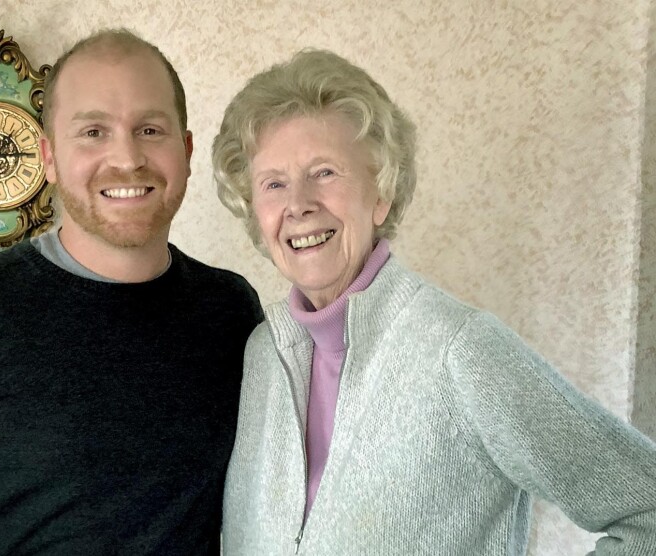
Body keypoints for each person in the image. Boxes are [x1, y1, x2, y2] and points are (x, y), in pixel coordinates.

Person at [212, 49, 656, 555]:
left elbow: (648, 511)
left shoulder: (459, 350)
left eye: (325, 173)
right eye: (274, 184)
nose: (298, 205)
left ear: (381, 193)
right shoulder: (263, 352)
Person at [0, 29, 262, 555]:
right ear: (48, 156)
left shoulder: (231, 310)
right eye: (93, 131)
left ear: (184, 150)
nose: (127, 158)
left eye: (150, 129)